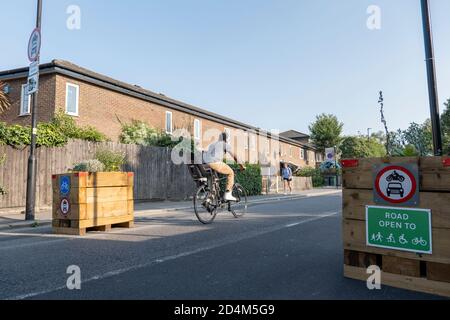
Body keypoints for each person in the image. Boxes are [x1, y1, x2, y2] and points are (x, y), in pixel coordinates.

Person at [203, 132, 245, 201]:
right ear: (226, 139)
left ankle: (208, 200)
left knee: (215, 182)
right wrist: (241, 165)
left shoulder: (212, 144)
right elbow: (234, 156)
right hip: (215, 163)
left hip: (206, 165)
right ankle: (228, 194)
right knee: (231, 173)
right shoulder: (225, 144)